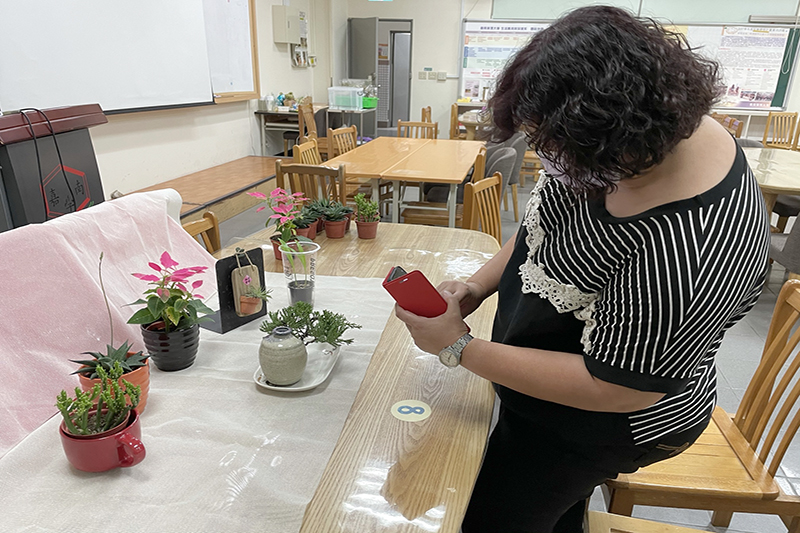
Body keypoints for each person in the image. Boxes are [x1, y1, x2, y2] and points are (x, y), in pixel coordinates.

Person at [394, 6, 770, 533]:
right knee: (545, 506)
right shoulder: (642, 133)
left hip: (608, 418)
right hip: (552, 380)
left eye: (556, 150)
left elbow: (616, 387)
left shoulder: (688, 248)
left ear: (619, 146)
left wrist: (460, 347)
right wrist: (478, 285)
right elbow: (541, 228)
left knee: (487, 516)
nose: (545, 161)